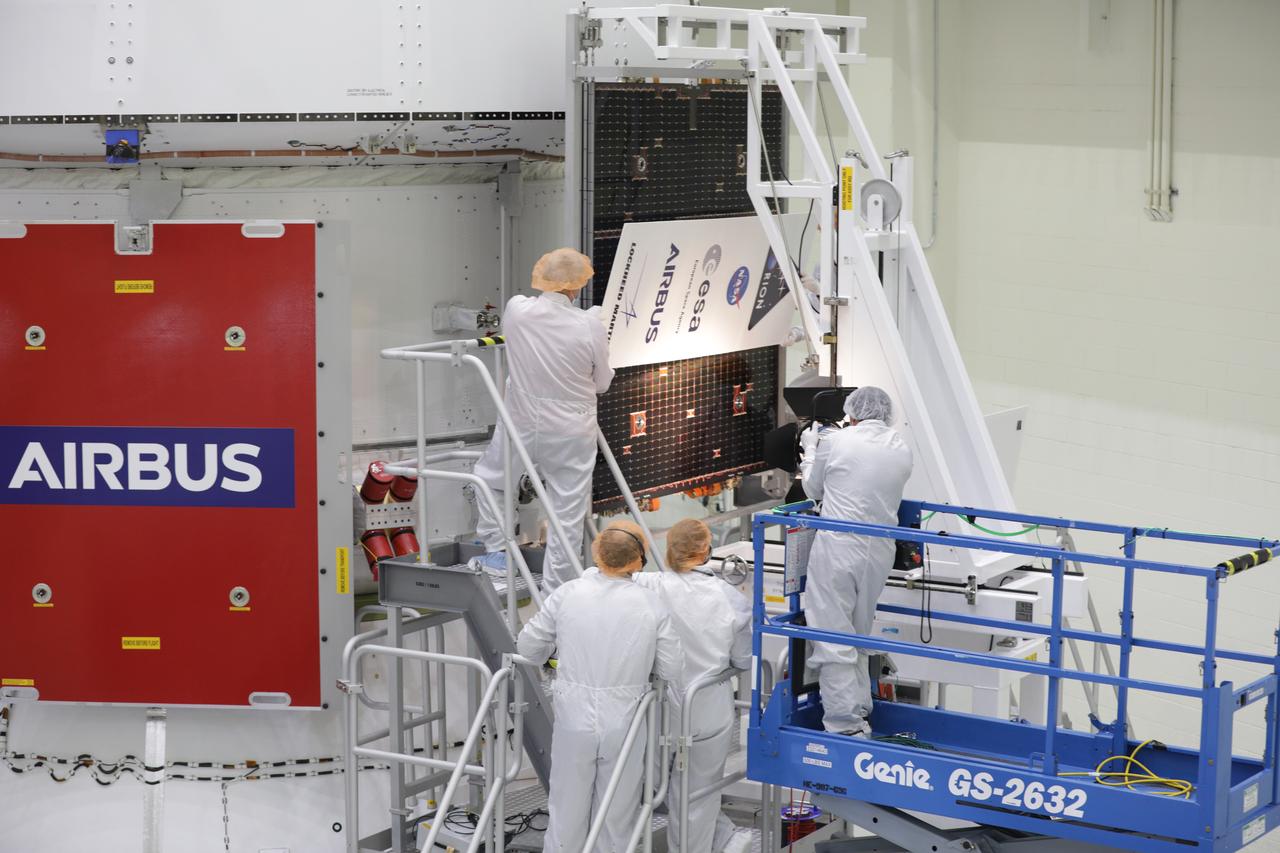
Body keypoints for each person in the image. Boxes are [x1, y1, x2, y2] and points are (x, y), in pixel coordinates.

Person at [516, 520, 683, 853]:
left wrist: (555, 656)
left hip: (572, 714)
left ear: (598, 552)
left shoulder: (568, 594)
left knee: (566, 808)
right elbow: (671, 667)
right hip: (625, 718)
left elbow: (528, 648)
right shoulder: (651, 604)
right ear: (639, 559)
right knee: (617, 813)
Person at [472, 248, 614, 590]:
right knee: (566, 510)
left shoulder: (517, 311)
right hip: (571, 429)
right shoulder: (590, 325)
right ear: (577, 286)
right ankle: (558, 590)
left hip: (521, 421)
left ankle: (495, 553)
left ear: (541, 278)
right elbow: (603, 383)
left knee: (491, 477)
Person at [634, 519, 752, 853]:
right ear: (707, 550)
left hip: (661, 708)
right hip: (709, 709)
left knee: (644, 788)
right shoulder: (732, 599)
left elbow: (607, 575)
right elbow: (743, 660)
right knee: (698, 794)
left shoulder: (651, 585)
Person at [801, 386, 913, 735]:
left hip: (839, 546)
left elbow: (813, 489)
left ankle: (844, 724)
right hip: (879, 550)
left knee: (832, 633)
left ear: (852, 414)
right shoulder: (901, 447)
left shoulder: (836, 442)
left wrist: (810, 450)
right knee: (860, 631)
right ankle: (861, 705)